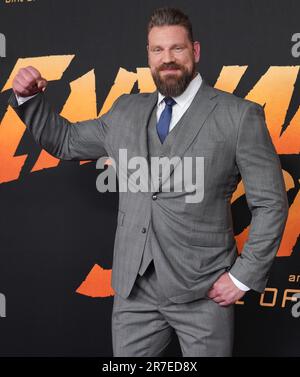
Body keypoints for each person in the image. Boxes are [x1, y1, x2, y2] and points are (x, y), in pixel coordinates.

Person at [9, 7, 288, 357]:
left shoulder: (238, 116)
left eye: (177, 49)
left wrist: (242, 277)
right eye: (157, 50)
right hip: (134, 291)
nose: (167, 59)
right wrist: (30, 98)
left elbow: (271, 203)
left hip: (202, 291)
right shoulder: (126, 110)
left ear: (195, 51)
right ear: (148, 56)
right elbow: (64, 141)